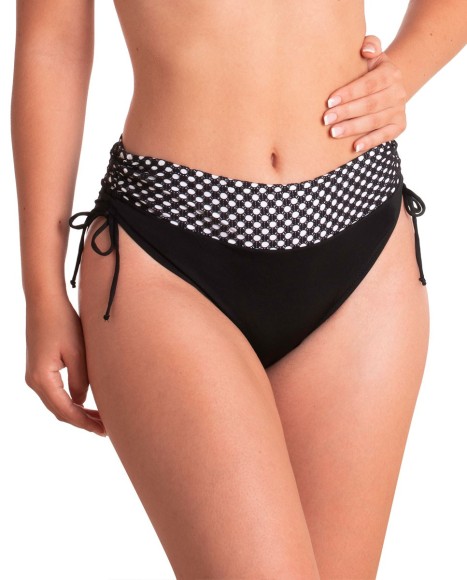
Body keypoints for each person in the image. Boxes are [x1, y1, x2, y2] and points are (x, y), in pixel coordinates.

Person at [11, 1, 465, 578]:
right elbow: (52, 43)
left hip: (360, 243)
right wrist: (42, 291)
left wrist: (406, 71)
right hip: (169, 253)